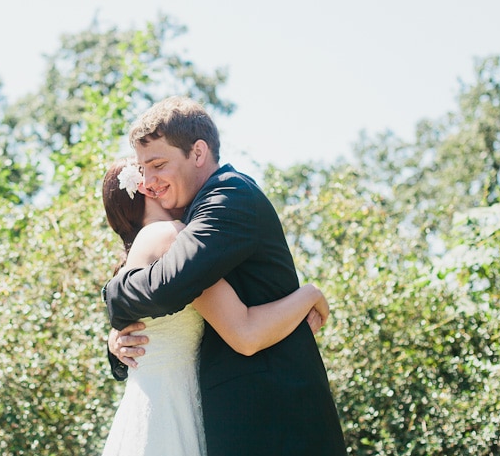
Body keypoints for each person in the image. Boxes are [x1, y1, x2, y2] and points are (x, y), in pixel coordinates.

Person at [103, 97, 346, 456]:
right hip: (230, 415)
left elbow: (171, 284)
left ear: (198, 153)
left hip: (274, 417)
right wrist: (116, 334)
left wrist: (114, 297)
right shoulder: (189, 217)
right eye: (143, 170)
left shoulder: (228, 198)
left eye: (157, 165)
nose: (148, 182)